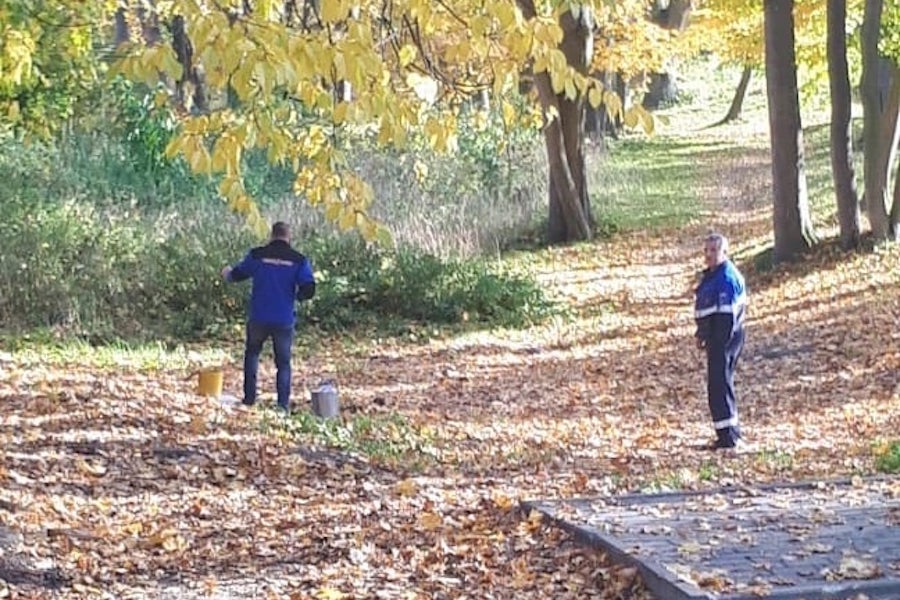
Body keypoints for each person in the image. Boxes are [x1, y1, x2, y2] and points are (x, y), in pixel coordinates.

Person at [222, 222, 316, 412]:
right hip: (284, 319)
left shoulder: (258, 255)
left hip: (259, 316)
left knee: (252, 355)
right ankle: (282, 405)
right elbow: (309, 289)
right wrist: (296, 297)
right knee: (283, 363)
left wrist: (227, 274)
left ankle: (249, 399)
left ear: (271, 235)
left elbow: (238, 274)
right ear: (289, 236)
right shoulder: (298, 260)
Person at [694, 233, 746, 450]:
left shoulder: (726, 279)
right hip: (716, 338)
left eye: (714, 250)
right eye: (706, 250)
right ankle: (726, 433)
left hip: (723, 340)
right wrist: (701, 334)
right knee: (718, 384)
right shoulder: (713, 276)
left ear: (725, 252)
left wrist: (715, 343)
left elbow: (726, 318)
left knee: (720, 385)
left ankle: (728, 437)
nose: (709, 255)